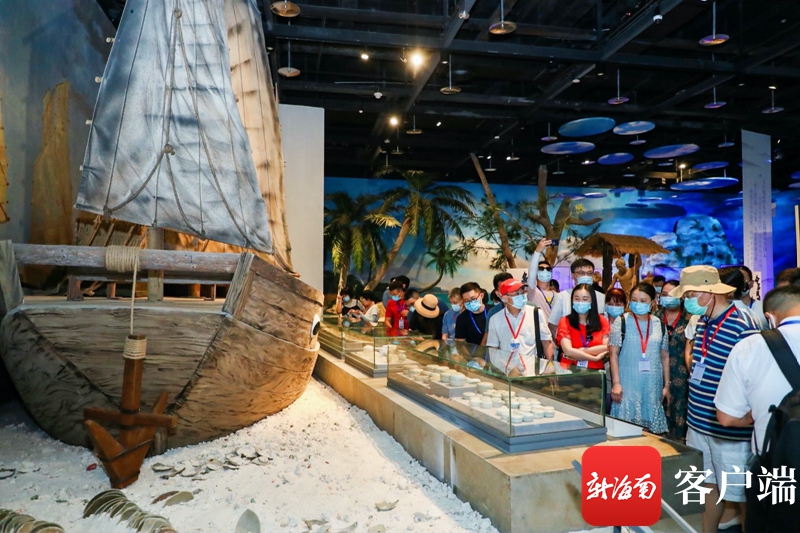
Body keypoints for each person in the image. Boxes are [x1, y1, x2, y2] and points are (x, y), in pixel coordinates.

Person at [667, 265, 759, 533]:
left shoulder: (742, 325)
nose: (686, 301)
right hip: (698, 424)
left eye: (689, 295)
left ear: (708, 292)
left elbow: (755, 377)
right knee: (708, 486)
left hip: (729, 431)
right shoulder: (703, 321)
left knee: (741, 494)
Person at [716, 285, 800, 533]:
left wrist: (754, 416)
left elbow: (726, 418)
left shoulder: (750, 347)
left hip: (777, 469)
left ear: (770, 317)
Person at [609, 283, 670, 434]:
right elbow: (613, 354)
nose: (638, 304)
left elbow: (664, 356)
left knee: (650, 435)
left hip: (652, 386)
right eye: (634, 300)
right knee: (625, 433)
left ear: (652, 302)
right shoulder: (621, 321)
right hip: (628, 385)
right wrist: (616, 383)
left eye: (643, 301)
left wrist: (666, 385)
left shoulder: (659, 324)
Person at [485, 279, 553, 376]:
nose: (521, 296)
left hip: (533, 373)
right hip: (507, 374)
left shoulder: (536, 313)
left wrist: (550, 367)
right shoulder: (495, 319)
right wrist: (507, 368)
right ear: (505, 298)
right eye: (516, 294)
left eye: (522, 292)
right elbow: (493, 350)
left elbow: (546, 342)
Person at [655, 279, 691, 441]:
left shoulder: (690, 319)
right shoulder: (654, 318)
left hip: (681, 377)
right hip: (657, 374)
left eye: (672, 295)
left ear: (681, 297)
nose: (667, 298)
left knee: (679, 415)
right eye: (664, 294)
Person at [547, 259, 605, 340]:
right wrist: (562, 343)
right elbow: (553, 325)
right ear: (573, 275)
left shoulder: (602, 297)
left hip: (595, 345)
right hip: (569, 344)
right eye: (581, 273)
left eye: (589, 273)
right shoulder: (562, 297)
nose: (586, 276)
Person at [556, 284, 610, 370]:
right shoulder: (564, 321)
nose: (580, 302)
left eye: (585, 299)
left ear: (592, 301)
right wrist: (594, 358)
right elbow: (568, 351)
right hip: (570, 370)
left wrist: (582, 350)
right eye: (577, 299)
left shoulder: (602, 320)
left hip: (596, 371)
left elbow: (606, 347)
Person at [527, 238, 558, 320]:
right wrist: (537, 252)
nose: (545, 271)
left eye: (548, 269)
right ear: (536, 274)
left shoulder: (558, 295)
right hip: (538, 328)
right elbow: (531, 274)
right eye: (541, 269)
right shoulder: (533, 291)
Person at [737, 265, 768, 329]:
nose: (739, 285)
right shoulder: (727, 308)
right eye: (737, 282)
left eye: (743, 281)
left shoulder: (764, 307)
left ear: (751, 283)